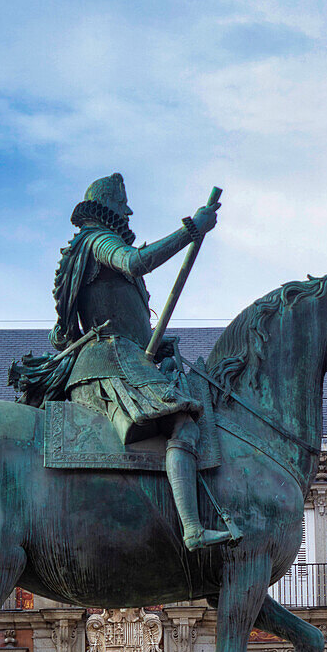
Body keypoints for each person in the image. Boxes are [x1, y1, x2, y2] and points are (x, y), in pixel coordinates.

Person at [17, 173, 238, 551]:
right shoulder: (99, 240)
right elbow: (135, 263)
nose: (129, 212)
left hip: (121, 354)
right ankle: (192, 529)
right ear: (109, 209)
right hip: (109, 361)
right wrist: (191, 229)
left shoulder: (85, 248)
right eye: (124, 205)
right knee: (183, 424)